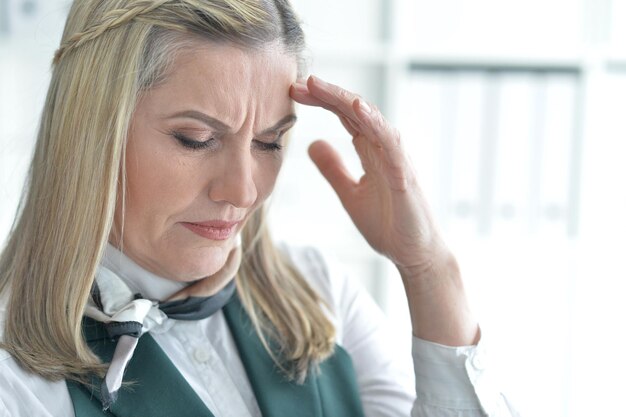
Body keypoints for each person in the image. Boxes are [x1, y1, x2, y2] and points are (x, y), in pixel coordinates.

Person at [0, 0, 519, 416]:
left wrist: (428, 268)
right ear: (90, 132)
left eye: (269, 143)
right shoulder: (13, 379)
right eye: (196, 139)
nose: (244, 191)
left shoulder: (319, 292)